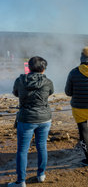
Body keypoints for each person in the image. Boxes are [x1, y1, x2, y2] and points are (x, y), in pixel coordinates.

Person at [9, 57, 54, 187]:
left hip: (26, 118)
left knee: (22, 151)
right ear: (44, 68)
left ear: (29, 67)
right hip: (45, 118)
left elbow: (16, 93)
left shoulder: (20, 80)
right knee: (42, 146)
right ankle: (41, 175)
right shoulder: (48, 82)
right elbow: (50, 93)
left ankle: (21, 181)